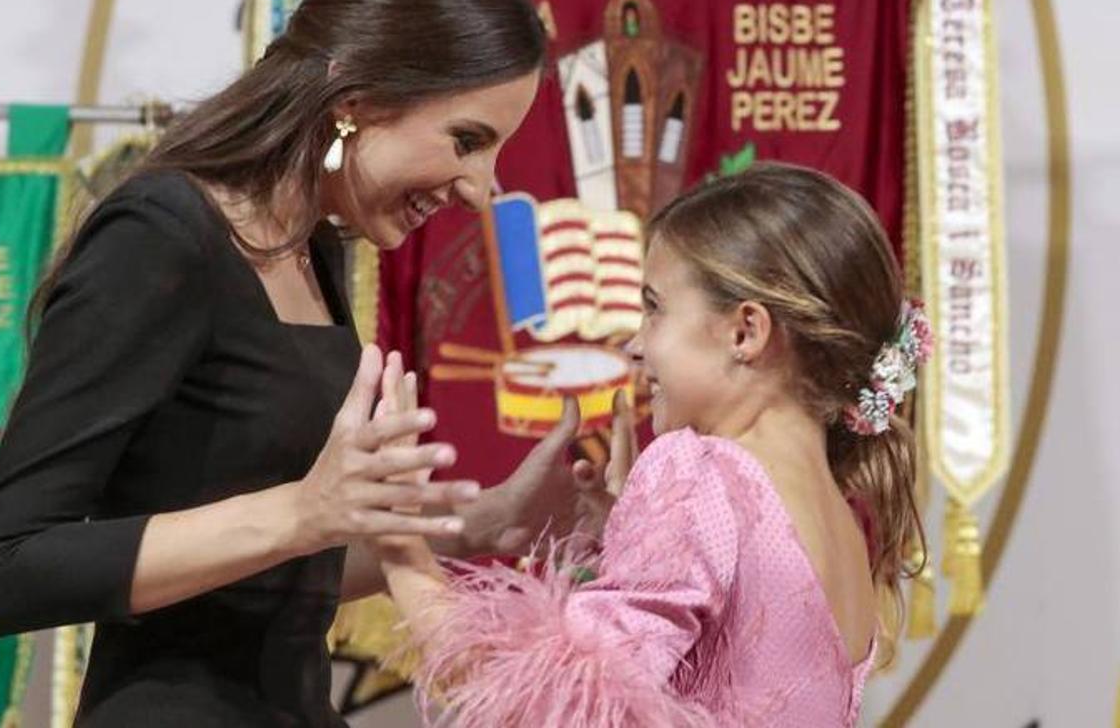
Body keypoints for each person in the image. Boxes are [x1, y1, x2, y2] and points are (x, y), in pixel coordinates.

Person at [0, 0, 617, 727]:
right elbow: (9, 569)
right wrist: (300, 512)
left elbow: (267, 575)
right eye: (467, 139)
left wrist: (478, 524)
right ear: (357, 104)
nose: (481, 188)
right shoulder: (160, 236)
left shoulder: (316, 248)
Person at [376, 162, 934, 727]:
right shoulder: (842, 524)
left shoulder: (697, 471)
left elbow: (537, 709)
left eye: (654, 307)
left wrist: (398, 543)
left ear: (745, 332)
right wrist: (627, 541)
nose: (635, 345)